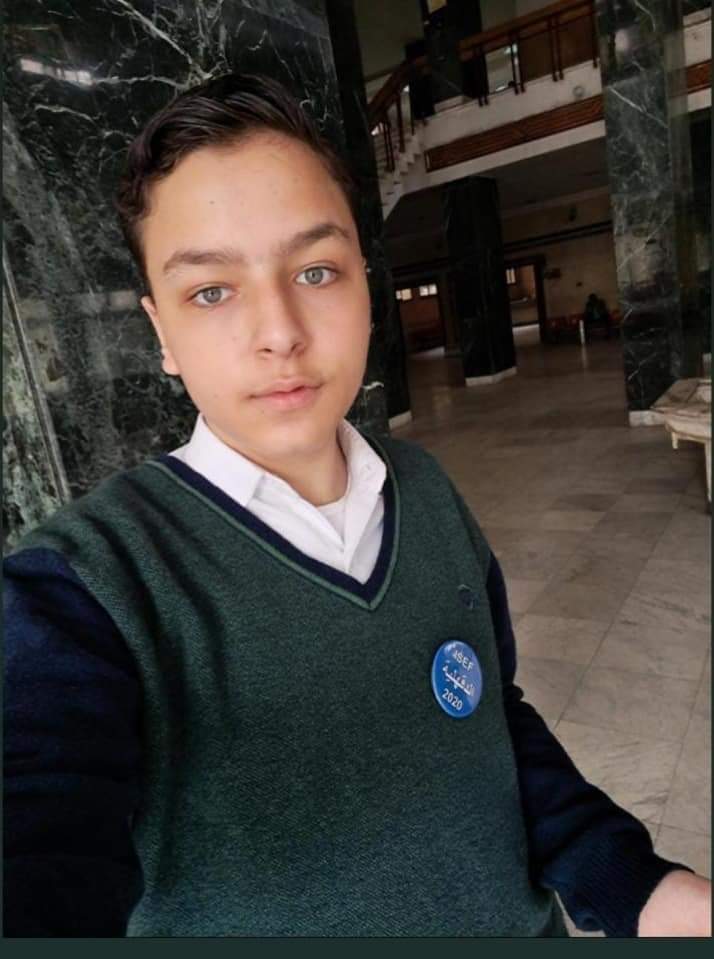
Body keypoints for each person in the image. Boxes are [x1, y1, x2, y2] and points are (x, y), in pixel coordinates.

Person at [3, 73, 710, 938]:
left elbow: (491, 721)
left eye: (316, 270)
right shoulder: (80, 590)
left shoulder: (425, 491)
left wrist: (640, 885)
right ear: (162, 334)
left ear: (365, 288)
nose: (280, 331)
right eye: (212, 291)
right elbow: (39, 827)